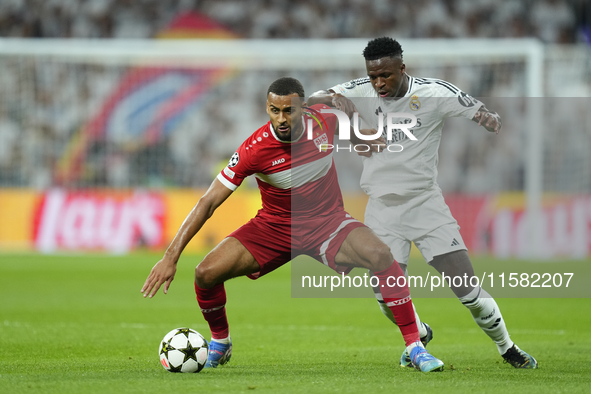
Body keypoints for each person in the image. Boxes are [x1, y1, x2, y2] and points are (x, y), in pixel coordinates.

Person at [141, 77, 445, 373]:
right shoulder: (253, 149)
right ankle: (221, 341)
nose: (282, 118)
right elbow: (207, 202)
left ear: (303, 108)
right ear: (267, 109)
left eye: (290, 110)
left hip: (328, 223)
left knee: (381, 255)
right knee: (205, 273)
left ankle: (414, 346)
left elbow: (352, 123)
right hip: (273, 229)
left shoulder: (325, 119)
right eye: (275, 111)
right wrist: (170, 257)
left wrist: (368, 139)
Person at [309, 37, 537, 369]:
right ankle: (419, 333)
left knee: (467, 291)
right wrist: (336, 101)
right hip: (382, 211)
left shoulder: (433, 93)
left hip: (425, 205)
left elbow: (476, 108)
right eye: (373, 77)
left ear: (402, 68)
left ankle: (506, 346)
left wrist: (487, 117)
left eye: (385, 75)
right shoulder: (362, 89)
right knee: (385, 299)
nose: (378, 83)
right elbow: (314, 98)